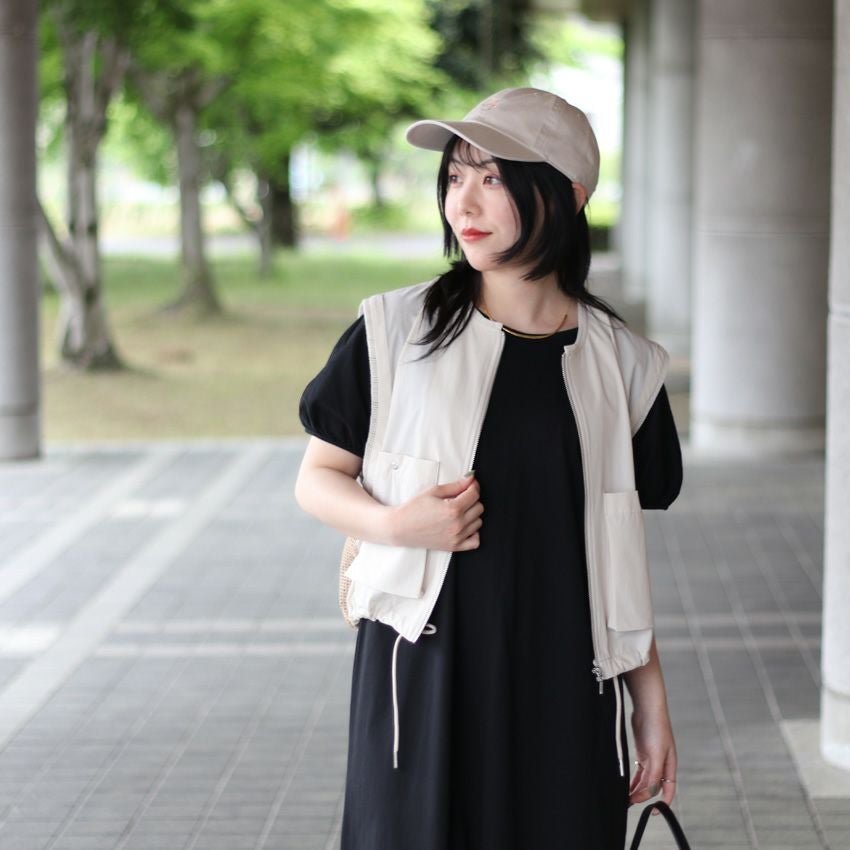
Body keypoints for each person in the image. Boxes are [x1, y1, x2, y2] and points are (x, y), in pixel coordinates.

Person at [295, 87, 683, 850]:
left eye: (493, 178)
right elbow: (317, 478)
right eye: (454, 177)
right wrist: (395, 524)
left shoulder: (626, 365)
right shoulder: (395, 330)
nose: (462, 203)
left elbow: (617, 550)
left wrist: (651, 701)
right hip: (426, 669)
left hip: (567, 675)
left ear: (568, 196)